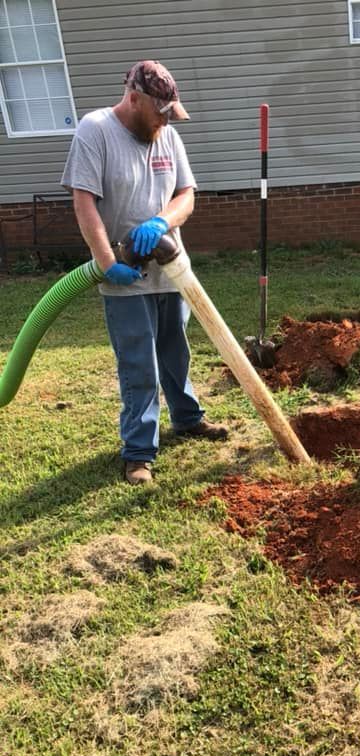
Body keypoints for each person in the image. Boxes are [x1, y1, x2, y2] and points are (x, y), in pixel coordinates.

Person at [62, 60, 228, 485]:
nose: (165, 121)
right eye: (160, 112)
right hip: (126, 273)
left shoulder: (167, 134)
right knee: (140, 366)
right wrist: (106, 263)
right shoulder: (95, 130)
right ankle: (138, 453)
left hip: (171, 268)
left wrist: (162, 221)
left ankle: (188, 419)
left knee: (176, 351)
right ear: (134, 98)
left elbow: (186, 195)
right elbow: (85, 203)